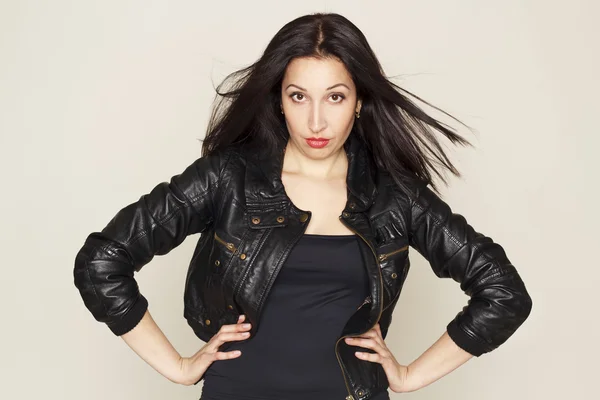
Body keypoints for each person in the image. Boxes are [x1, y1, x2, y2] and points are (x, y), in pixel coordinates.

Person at [73, 12, 533, 400]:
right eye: (299, 96)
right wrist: (176, 366)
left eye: (335, 96)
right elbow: (101, 261)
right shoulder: (227, 178)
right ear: (278, 101)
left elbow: (504, 293)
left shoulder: (396, 196)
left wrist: (410, 376)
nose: (317, 120)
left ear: (358, 103)